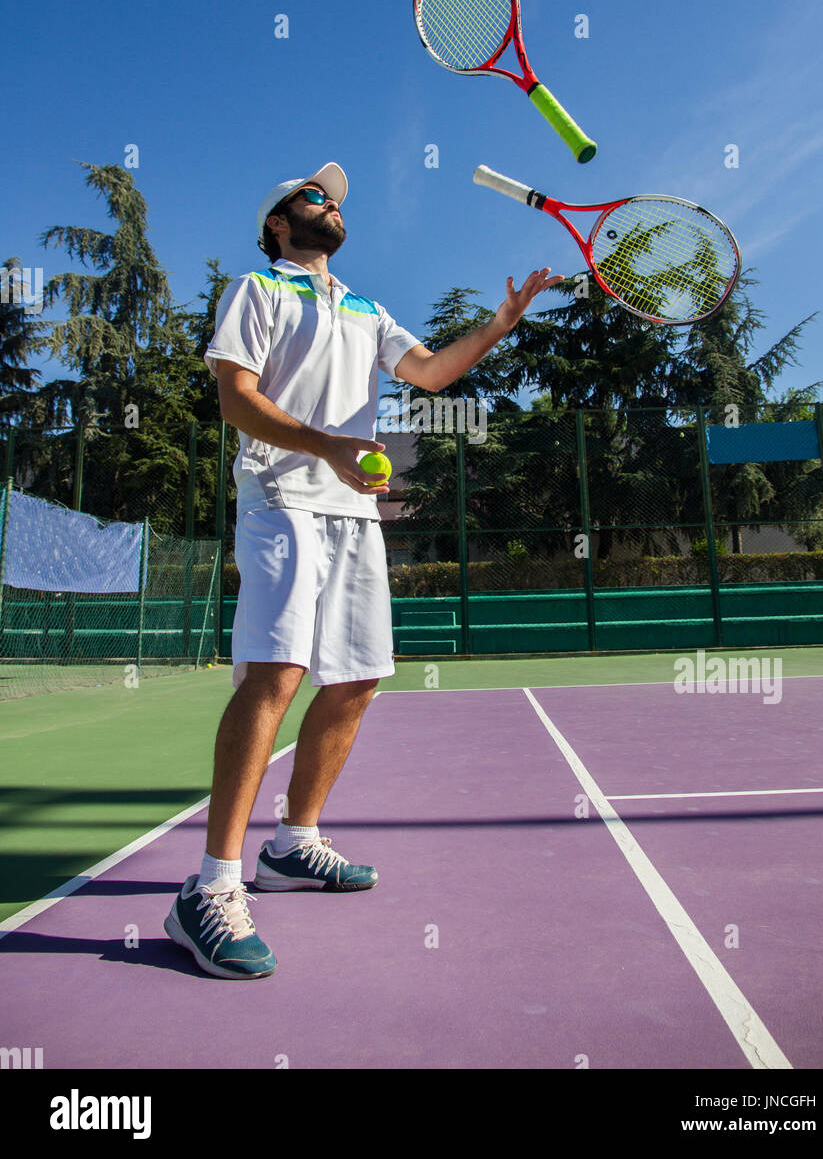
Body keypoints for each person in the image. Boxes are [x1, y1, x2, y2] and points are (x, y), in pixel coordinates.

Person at [164, 161, 562, 978]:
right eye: (314, 197)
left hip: (354, 512)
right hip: (281, 498)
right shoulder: (258, 290)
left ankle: (294, 843)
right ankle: (209, 890)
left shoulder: (365, 307)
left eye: (339, 200)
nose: (332, 205)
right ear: (278, 222)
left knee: (356, 680)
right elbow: (235, 400)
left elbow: (430, 373)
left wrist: (500, 323)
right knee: (275, 675)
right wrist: (330, 446)